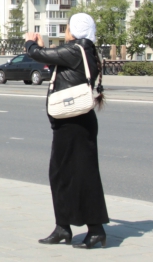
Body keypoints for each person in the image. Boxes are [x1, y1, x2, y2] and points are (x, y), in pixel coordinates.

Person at [25, 13, 108, 249]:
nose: (66, 32)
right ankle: (66, 227)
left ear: (76, 31)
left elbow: (38, 55)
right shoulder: (84, 51)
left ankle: (92, 230)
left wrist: (31, 43)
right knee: (70, 174)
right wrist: (42, 48)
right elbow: (54, 60)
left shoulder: (76, 50)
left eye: (68, 28)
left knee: (75, 175)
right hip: (74, 123)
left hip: (74, 124)